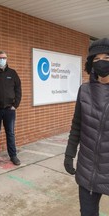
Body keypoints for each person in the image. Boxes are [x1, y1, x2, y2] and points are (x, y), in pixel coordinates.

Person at [64, 38, 109, 216]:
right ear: (90, 63)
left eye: (106, 57)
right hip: (88, 168)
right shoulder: (84, 90)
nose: (101, 62)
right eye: (96, 59)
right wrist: (69, 153)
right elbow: (77, 125)